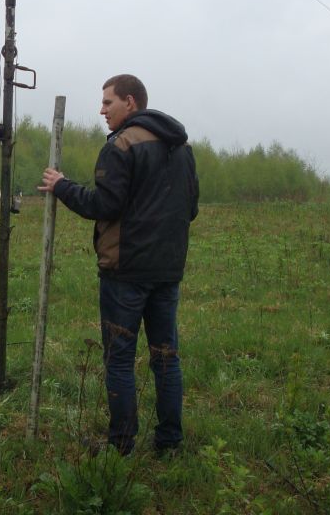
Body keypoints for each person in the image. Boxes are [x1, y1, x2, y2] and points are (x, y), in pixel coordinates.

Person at [39, 74, 199, 455]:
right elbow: (190, 209)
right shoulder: (181, 147)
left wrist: (62, 186)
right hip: (167, 270)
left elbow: (103, 205)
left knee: (120, 360)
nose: (102, 110)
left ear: (130, 102)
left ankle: (121, 446)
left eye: (107, 102)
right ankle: (170, 443)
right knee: (165, 358)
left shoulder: (122, 145)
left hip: (125, 272)